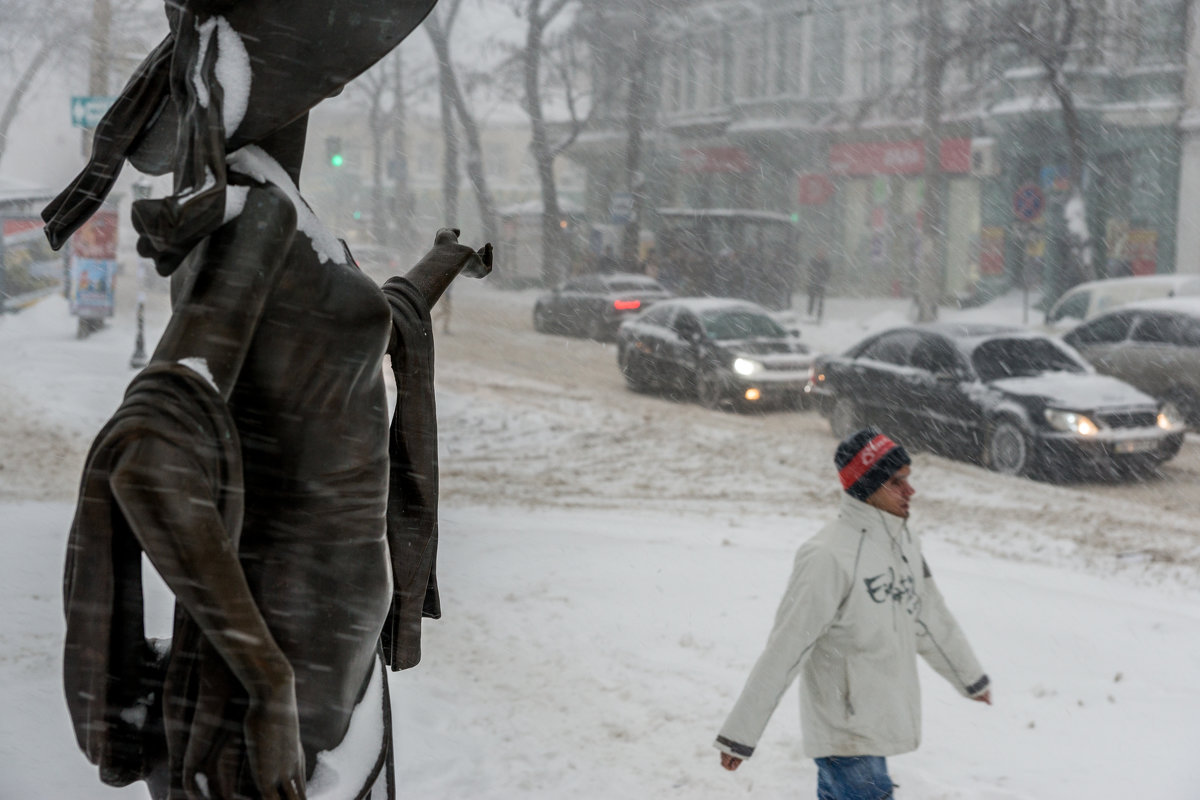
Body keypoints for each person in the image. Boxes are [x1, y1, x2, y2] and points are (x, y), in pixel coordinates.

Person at [44, 2, 491, 798]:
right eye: (323, 68)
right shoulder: (253, 216)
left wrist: (430, 275)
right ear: (275, 82)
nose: (334, 84)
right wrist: (265, 684)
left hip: (326, 657)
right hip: (288, 666)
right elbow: (148, 462)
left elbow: (325, 346)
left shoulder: (277, 208)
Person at [714, 427, 990, 799]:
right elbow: (787, 647)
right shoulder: (828, 556)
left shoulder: (904, 541)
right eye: (897, 481)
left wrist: (969, 677)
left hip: (878, 716)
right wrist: (740, 736)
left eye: (908, 479)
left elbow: (927, 616)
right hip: (844, 729)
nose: (911, 491)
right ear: (868, 486)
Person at [807, 249, 832, 321]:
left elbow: (828, 273)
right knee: (811, 300)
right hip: (813, 283)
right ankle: (809, 314)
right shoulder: (813, 261)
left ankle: (819, 316)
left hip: (821, 284)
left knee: (820, 301)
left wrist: (824, 279)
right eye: (819, 253)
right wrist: (812, 277)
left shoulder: (826, 263)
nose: (820, 254)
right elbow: (809, 270)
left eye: (822, 253)